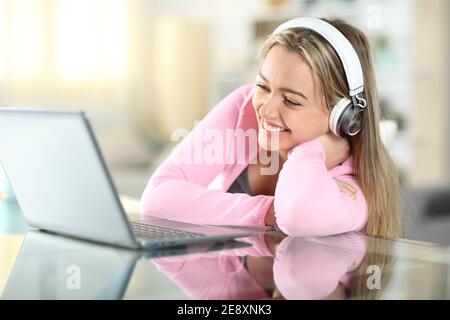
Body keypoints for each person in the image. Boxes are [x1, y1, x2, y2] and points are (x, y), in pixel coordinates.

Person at [140, 17, 403, 238]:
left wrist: (312, 151)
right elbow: (156, 200)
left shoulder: (353, 185)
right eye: (263, 86)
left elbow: (298, 216)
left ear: (342, 116)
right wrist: (268, 212)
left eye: (291, 100)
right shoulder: (244, 107)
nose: (265, 109)